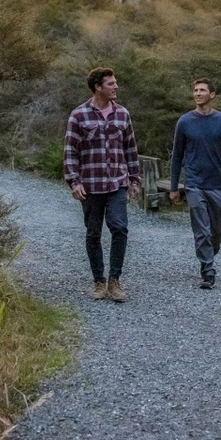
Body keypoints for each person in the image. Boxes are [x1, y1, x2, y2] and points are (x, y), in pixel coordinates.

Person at [63, 67, 142, 302]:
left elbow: (130, 148)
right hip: (90, 184)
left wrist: (134, 179)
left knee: (119, 228)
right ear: (98, 87)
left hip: (117, 182)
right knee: (93, 232)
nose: (116, 87)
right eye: (111, 84)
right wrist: (74, 181)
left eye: (115, 83)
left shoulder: (122, 114)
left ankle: (114, 280)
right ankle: (98, 280)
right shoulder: (79, 115)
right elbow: (70, 151)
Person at [167, 77, 221, 289]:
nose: (198, 93)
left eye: (202, 90)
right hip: (194, 184)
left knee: (217, 230)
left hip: (217, 184)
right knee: (201, 228)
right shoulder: (184, 122)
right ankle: (208, 271)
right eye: (195, 90)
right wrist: (175, 187)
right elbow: (177, 156)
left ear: (212, 95)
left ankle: (209, 254)